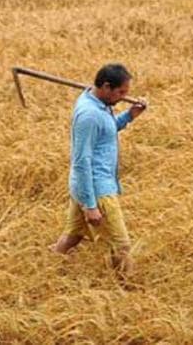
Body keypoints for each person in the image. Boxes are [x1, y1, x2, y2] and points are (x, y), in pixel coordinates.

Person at [50, 63, 148, 278]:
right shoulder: (89, 115)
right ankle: (126, 288)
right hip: (96, 188)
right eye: (121, 92)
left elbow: (107, 129)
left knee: (73, 235)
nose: (123, 97)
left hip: (84, 186)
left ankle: (48, 270)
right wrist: (90, 205)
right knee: (121, 245)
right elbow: (81, 161)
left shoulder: (98, 103)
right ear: (105, 87)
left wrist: (130, 115)